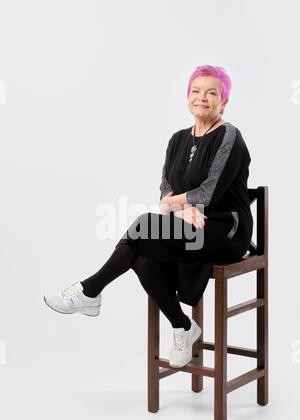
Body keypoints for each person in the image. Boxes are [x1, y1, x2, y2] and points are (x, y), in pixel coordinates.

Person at [43, 64, 253, 369]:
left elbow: (206, 194)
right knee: (141, 258)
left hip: (225, 232)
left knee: (143, 224)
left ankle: (89, 291)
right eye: (195, 91)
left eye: (212, 93)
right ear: (187, 96)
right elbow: (164, 194)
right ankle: (183, 326)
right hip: (188, 230)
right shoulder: (177, 140)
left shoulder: (230, 136)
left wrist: (184, 204)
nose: (202, 98)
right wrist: (184, 207)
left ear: (224, 102)